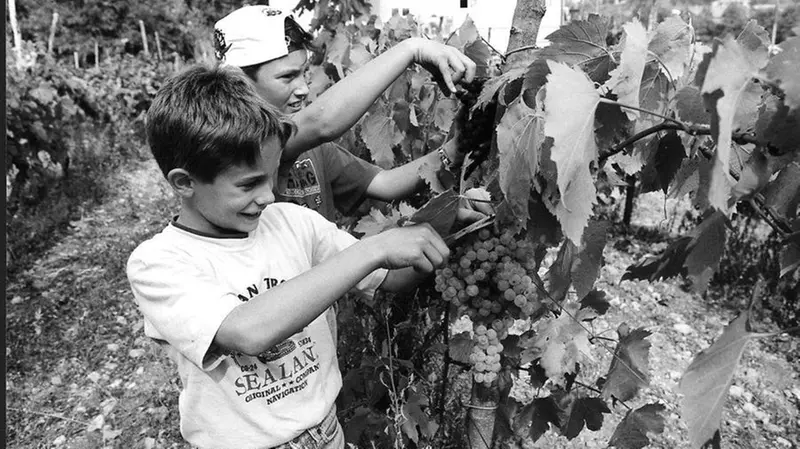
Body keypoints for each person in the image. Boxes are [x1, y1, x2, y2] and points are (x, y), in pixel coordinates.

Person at [126, 65, 450, 449]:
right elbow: (248, 332)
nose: (267, 196)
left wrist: (444, 222)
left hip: (327, 432)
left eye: (274, 174)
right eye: (249, 184)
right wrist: (375, 246)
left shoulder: (294, 223)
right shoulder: (158, 263)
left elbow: (390, 280)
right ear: (184, 183)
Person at [213, 5, 492, 224]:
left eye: (304, 73)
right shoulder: (231, 145)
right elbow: (321, 123)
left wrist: (455, 150)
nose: (303, 88)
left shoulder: (315, 151)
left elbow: (384, 183)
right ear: (238, 82)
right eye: (287, 77)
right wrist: (412, 49)